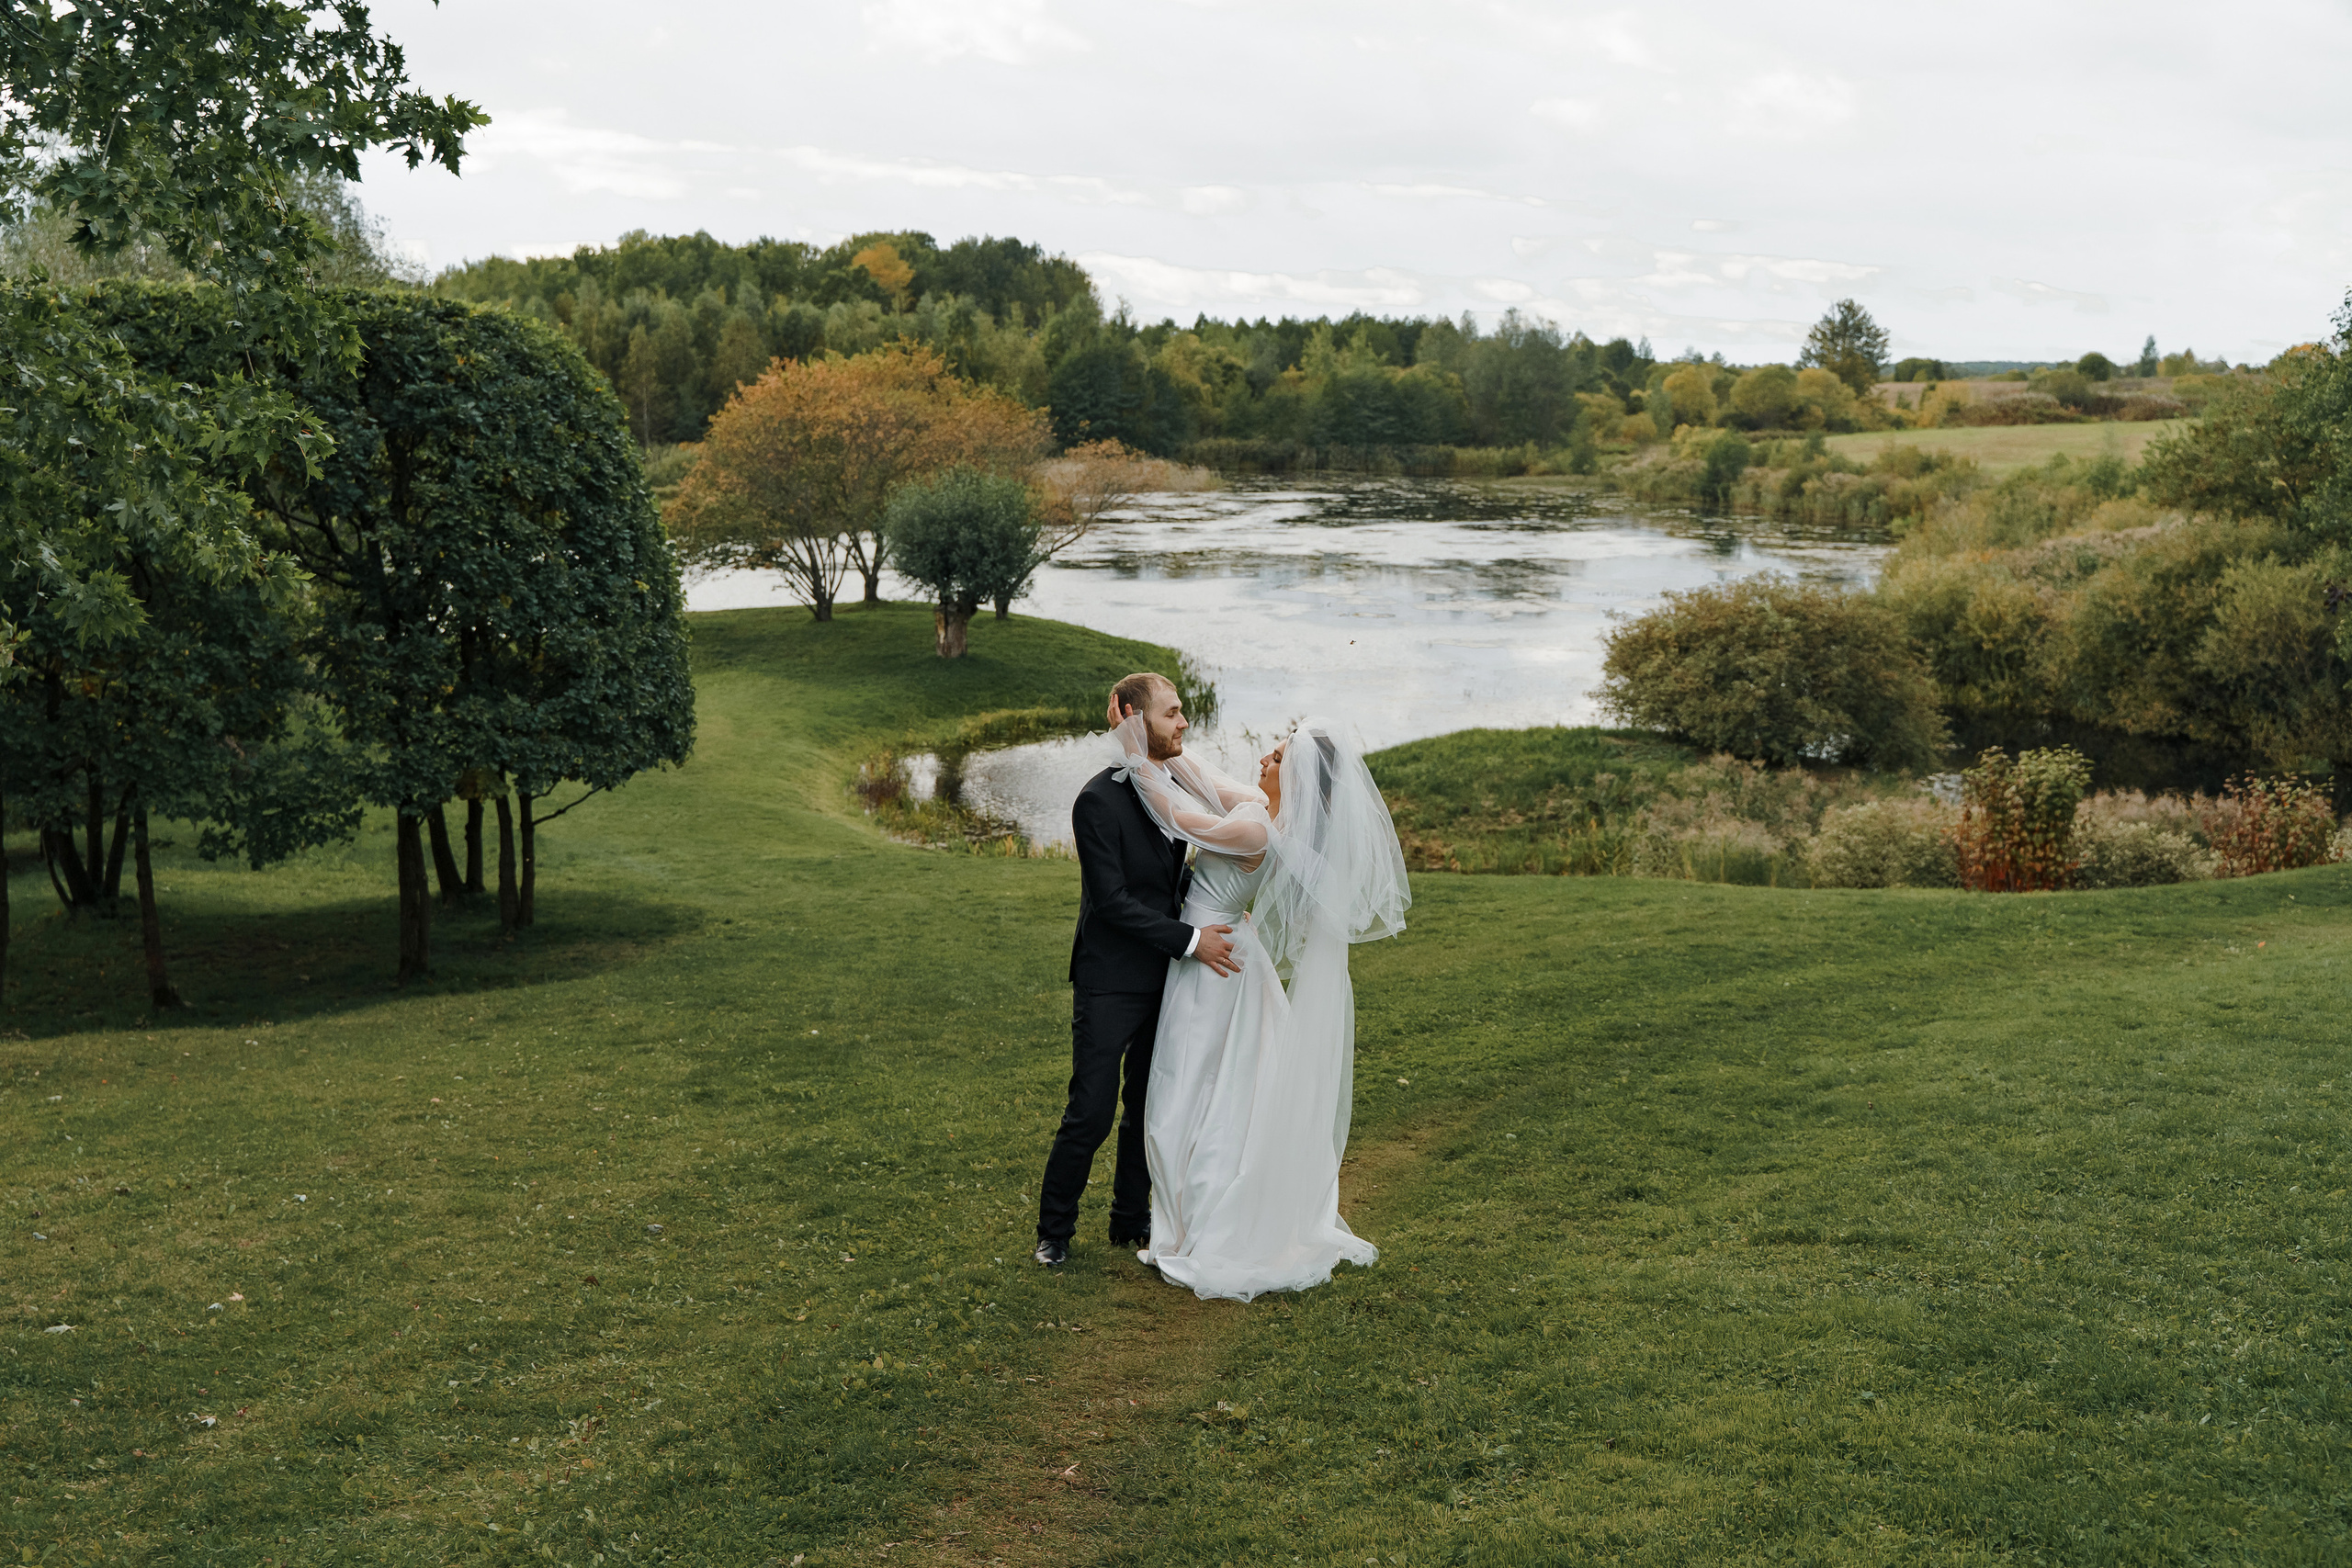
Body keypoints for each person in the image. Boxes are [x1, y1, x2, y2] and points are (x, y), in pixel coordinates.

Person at [1111, 709, 1412, 1302]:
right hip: (1225, 951)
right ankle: (1184, 1210)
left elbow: (1175, 815)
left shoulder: (1257, 830)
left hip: (1212, 962)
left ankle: (1197, 1222)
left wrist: (1132, 752)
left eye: (1275, 758)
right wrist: (1157, 744)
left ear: (1293, 778)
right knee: (1216, 1087)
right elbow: (1202, 778)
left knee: (1183, 1087)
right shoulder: (1265, 814)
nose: (1263, 760)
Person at [1033, 672, 1239, 1268]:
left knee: (1148, 1104)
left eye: (1182, 711)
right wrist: (1193, 939)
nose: (1183, 722)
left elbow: (1168, 877)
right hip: (1110, 979)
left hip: (1165, 977)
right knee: (1092, 1109)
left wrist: (1217, 904)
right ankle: (1054, 1232)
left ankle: (1130, 1219)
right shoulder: (1097, 800)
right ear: (1131, 715)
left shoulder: (1165, 787)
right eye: (1171, 712)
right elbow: (1113, 901)